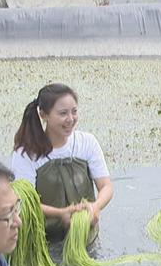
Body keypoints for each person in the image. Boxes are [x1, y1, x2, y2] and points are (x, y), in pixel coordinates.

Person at [11, 84, 113, 243]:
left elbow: (106, 186)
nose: (70, 119)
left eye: (74, 111)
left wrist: (95, 207)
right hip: (44, 241)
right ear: (44, 115)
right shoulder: (26, 153)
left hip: (85, 235)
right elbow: (24, 202)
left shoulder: (87, 142)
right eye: (63, 113)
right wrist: (60, 213)